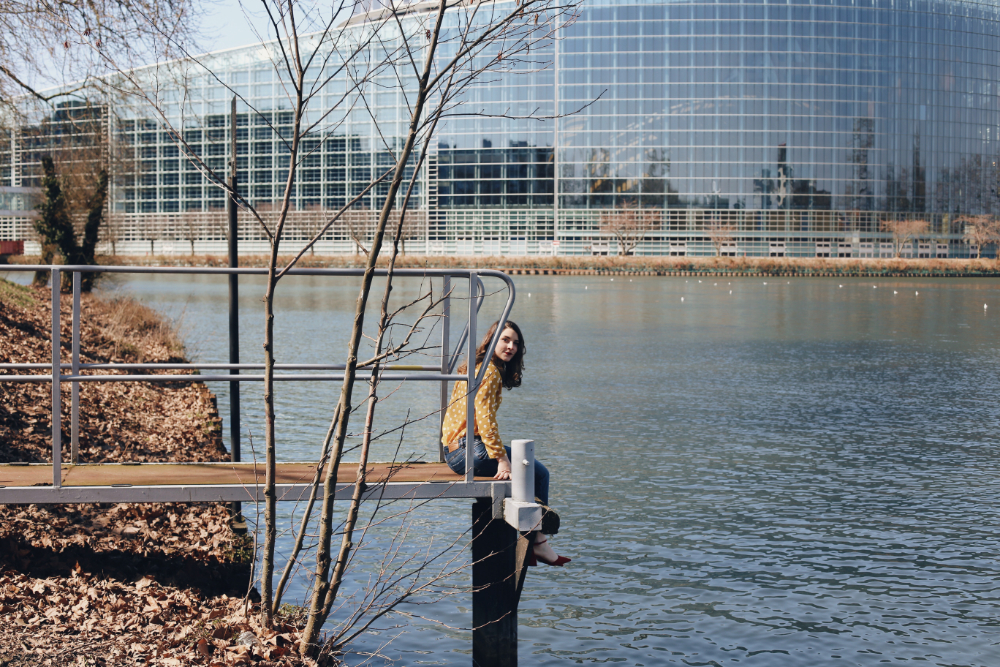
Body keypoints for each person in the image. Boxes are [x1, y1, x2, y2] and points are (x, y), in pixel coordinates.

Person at [441, 319, 570, 566]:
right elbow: (486, 420)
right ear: (491, 340)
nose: (511, 346)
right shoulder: (489, 371)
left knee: (531, 469)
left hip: (455, 451)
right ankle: (538, 543)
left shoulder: (477, 366)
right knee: (538, 473)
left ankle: (537, 541)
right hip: (469, 451)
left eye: (516, 343)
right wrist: (502, 461)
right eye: (505, 340)